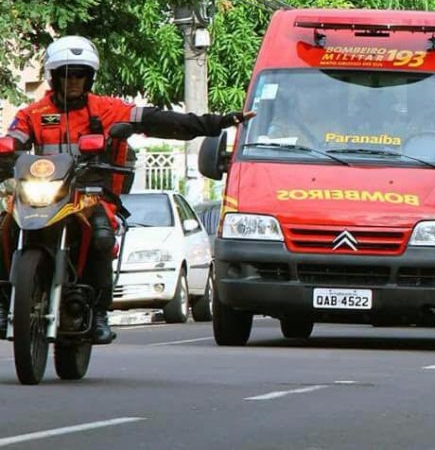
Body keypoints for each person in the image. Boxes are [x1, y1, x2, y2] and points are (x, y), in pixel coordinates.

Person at [0, 35, 252, 344]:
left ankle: (100, 313)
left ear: (90, 77)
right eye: (67, 74)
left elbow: (158, 119)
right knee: (6, 225)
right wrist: (8, 147)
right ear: (54, 77)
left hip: (91, 194)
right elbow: (14, 138)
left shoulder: (107, 109)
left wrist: (218, 122)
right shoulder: (33, 113)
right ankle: (3, 304)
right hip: (42, 195)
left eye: (80, 74)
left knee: (102, 235)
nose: (74, 80)